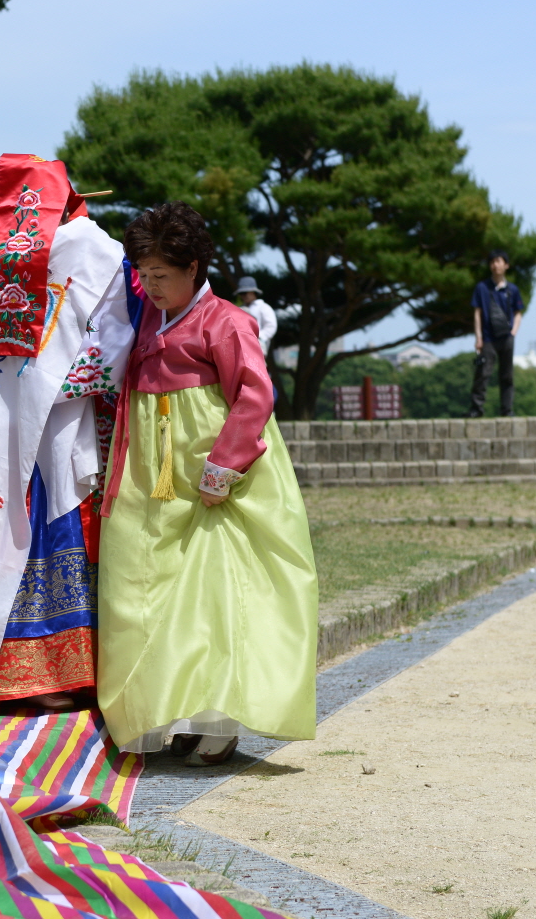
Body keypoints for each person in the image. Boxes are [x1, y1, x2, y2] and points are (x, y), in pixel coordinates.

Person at [92, 202, 318, 766]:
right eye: (143, 274)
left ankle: (216, 720)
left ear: (194, 267)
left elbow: (255, 394)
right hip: (148, 467)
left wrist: (224, 467)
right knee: (138, 587)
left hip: (208, 467)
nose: (149, 285)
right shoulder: (145, 312)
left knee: (211, 594)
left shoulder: (227, 320)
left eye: (161, 275)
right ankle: (158, 711)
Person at [0, 154, 127, 711]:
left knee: (38, 518)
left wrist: (54, 387)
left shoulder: (93, 252)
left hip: (47, 420)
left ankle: (55, 677)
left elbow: (115, 338)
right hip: (16, 420)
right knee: (1, 521)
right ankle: (26, 678)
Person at [467, 250, 524, 418]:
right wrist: (478, 338)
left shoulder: (512, 289)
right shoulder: (482, 288)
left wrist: (513, 332)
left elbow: (518, 312)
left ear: (506, 265)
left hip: (507, 338)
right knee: (482, 374)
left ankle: (507, 410)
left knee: (507, 376)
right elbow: (477, 312)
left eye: (499, 261)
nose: (495, 265)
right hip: (487, 338)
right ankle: (476, 409)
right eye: (492, 262)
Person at [233, 276, 277, 357]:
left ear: (253, 292)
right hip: (240, 347)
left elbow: (271, 326)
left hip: (258, 346)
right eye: (241, 293)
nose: (243, 296)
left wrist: (258, 337)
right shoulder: (239, 309)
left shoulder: (263, 307)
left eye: (245, 292)